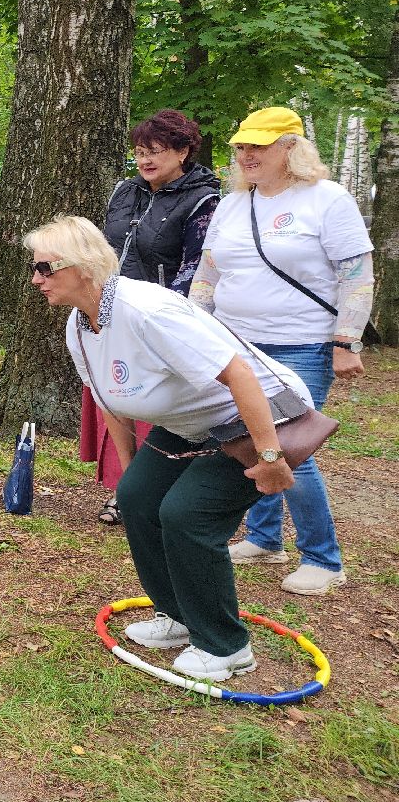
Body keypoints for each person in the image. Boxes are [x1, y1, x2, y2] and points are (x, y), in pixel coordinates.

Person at [30, 214, 309, 682]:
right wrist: (133, 471)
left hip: (259, 415)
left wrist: (270, 456)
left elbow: (238, 374)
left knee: (186, 514)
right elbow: (109, 402)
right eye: (33, 269)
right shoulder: (79, 326)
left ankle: (226, 646)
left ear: (83, 266)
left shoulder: (146, 310)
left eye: (45, 268)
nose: (36, 279)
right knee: (137, 499)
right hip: (188, 422)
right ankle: (177, 616)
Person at [190, 106, 372, 595]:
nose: (247, 155)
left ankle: (323, 559)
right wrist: (193, 329)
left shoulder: (327, 199)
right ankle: (265, 538)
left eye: (259, 145)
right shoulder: (233, 204)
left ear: (291, 147)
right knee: (249, 436)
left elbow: (356, 274)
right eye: (241, 147)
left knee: (289, 448)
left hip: (302, 344)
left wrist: (346, 340)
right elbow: (209, 273)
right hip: (235, 342)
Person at [88, 109, 221, 526]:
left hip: (162, 317)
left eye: (156, 152)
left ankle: (161, 492)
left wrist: (159, 314)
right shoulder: (124, 192)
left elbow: (197, 267)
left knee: (157, 404)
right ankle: (124, 490)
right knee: (115, 396)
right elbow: (105, 249)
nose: (145, 160)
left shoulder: (204, 199)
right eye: (140, 152)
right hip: (111, 309)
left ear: (183, 151)